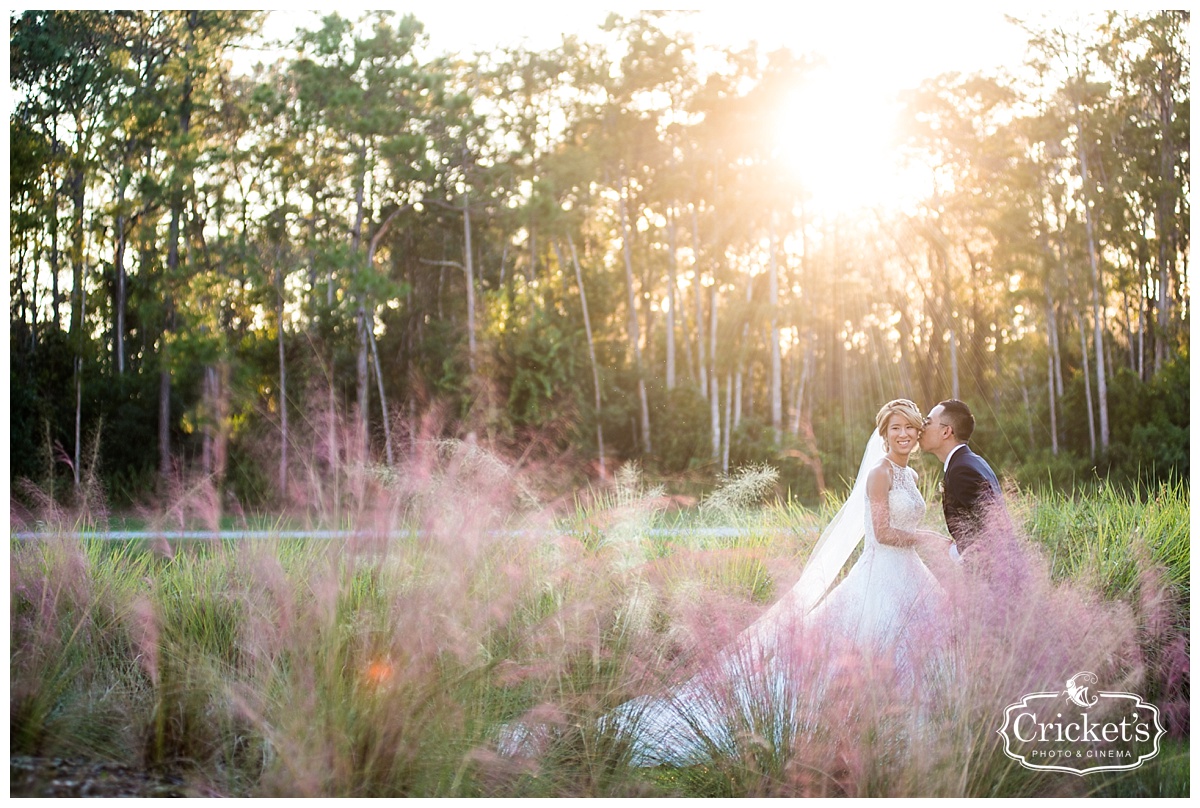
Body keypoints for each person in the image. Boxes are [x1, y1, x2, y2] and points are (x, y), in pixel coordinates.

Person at [588, 399, 955, 766]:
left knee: (910, 643)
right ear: (883, 434)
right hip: (880, 574)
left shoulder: (913, 476)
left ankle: (908, 726)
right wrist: (927, 538)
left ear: (919, 431)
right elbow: (884, 532)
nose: (903, 434)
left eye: (909, 427)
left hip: (909, 571)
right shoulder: (881, 474)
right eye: (895, 428)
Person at [918, 399, 1004, 554]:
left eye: (928, 423)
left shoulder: (962, 470)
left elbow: (990, 533)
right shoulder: (971, 461)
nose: (921, 428)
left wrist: (951, 553)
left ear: (946, 432)